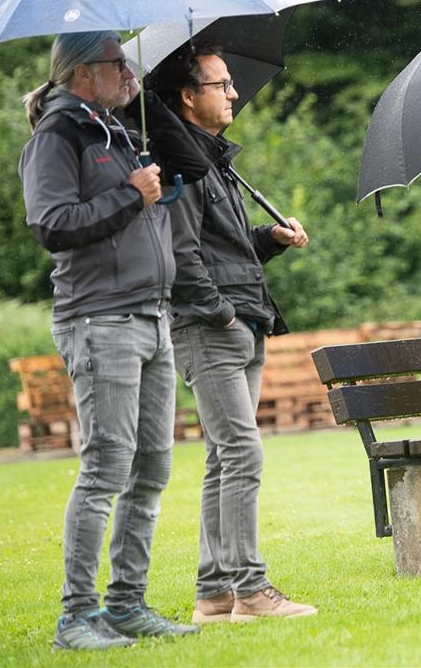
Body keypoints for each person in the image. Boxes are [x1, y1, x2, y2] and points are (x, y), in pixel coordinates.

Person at [20, 31, 202, 650]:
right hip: (101, 320)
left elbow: (195, 168)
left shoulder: (120, 132)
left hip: (151, 318)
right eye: (117, 64)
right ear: (81, 74)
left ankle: (126, 605)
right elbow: (52, 224)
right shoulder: (58, 136)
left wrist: (143, 168)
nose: (129, 72)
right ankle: (77, 617)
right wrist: (131, 194)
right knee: (105, 470)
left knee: (151, 469)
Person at [150, 42, 317, 622]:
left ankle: (214, 594)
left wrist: (269, 239)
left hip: (242, 321)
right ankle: (250, 589)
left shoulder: (212, 161)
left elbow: (223, 250)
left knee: (226, 459)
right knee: (242, 453)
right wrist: (220, 312)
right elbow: (180, 255)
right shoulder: (181, 164)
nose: (233, 93)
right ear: (188, 97)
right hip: (211, 328)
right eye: (220, 85)